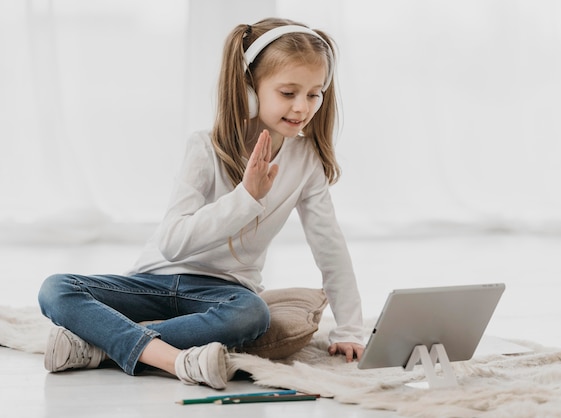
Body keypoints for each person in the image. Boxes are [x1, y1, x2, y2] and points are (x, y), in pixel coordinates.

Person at [38, 17, 364, 390]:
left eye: (314, 94)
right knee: (55, 288)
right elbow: (174, 243)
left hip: (224, 292)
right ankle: (172, 358)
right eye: (288, 93)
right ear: (250, 90)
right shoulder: (205, 147)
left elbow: (329, 246)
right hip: (154, 281)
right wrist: (246, 198)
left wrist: (350, 328)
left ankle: (100, 347)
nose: (303, 107)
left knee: (251, 315)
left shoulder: (306, 162)